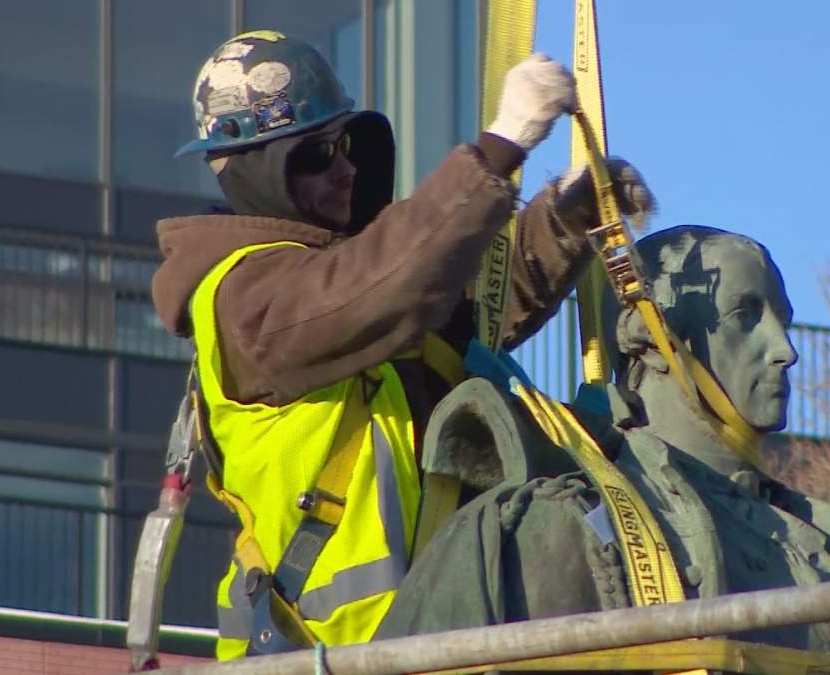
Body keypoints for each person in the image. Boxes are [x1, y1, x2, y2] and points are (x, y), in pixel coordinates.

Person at [149, 30, 656, 660]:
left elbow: (470, 303)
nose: (346, 168)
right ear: (252, 170)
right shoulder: (243, 299)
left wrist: (566, 217)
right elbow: (384, 284)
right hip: (330, 653)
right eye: (317, 154)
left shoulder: (356, 293)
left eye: (346, 145)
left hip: (428, 637)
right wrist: (500, 145)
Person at [377, 225, 830, 671]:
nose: (786, 350)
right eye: (745, 315)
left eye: (783, 320)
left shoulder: (810, 550)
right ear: (650, 335)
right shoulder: (543, 526)